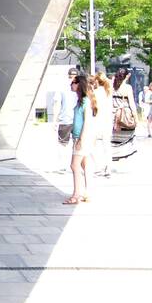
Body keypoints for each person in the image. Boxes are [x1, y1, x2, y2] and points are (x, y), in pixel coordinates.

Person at [64, 73, 94, 205]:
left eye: (73, 82)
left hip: (81, 138)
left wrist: (80, 139)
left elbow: (87, 122)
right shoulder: (81, 101)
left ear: (79, 84)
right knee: (84, 165)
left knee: (74, 165)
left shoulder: (85, 101)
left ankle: (76, 195)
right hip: (81, 137)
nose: (71, 84)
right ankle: (86, 193)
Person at [53, 67, 79, 172]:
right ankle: (72, 165)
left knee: (63, 143)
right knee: (75, 143)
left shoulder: (62, 87)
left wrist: (55, 120)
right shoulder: (79, 87)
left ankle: (63, 165)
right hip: (74, 119)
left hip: (67, 119)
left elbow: (56, 104)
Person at [92, 72, 114, 176]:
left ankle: (98, 167)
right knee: (107, 145)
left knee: (95, 145)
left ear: (96, 81)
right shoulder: (108, 92)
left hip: (97, 120)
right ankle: (108, 167)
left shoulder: (95, 93)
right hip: (107, 120)